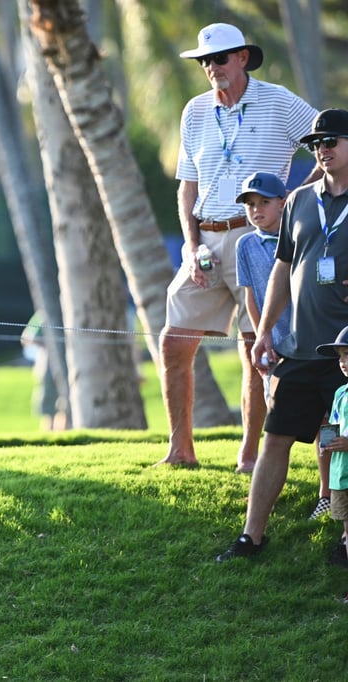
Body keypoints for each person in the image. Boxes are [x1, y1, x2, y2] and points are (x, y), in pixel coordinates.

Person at [158, 22, 319, 471]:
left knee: (255, 348)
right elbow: (186, 187)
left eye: (221, 58)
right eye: (205, 61)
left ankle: (250, 456)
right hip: (205, 239)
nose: (212, 68)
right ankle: (180, 451)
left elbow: (330, 146)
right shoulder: (194, 111)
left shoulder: (279, 101)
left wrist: (293, 200)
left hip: (261, 239)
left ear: (243, 58)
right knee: (174, 341)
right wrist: (191, 246)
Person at [216, 108, 348, 562]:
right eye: (316, 144)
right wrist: (265, 330)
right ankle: (252, 537)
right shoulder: (299, 200)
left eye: (331, 141)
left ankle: (347, 539)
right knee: (274, 438)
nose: (322, 150)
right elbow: (282, 268)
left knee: (342, 441)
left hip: (346, 354)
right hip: (299, 349)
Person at [235, 172, 331, 517]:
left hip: (312, 342)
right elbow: (251, 298)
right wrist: (263, 334)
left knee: (326, 423)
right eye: (250, 205)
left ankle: (326, 494)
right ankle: (262, 515)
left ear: (284, 203)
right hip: (274, 347)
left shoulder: (308, 231)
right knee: (279, 427)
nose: (256, 210)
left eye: (264, 202)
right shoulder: (244, 245)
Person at [316, 326, 348, 568]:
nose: (343, 362)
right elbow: (334, 424)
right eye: (340, 356)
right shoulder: (340, 393)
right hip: (340, 475)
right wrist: (326, 445)